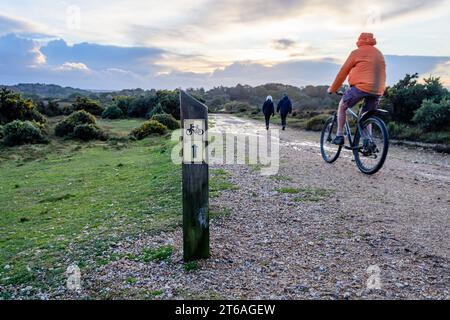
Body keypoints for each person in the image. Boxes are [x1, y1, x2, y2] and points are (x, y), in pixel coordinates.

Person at [327, 32, 386, 146]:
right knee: (367, 115)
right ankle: (368, 141)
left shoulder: (356, 53)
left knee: (342, 106)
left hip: (361, 87)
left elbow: (342, 73)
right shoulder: (379, 53)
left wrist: (332, 88)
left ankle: (339, 135)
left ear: (360, 40)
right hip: (378, 89)